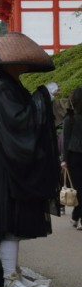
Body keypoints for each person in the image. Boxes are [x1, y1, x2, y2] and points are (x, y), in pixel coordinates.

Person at [0, 32, 61, 287]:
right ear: (9, 62)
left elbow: (22, 120)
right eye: (20, 61)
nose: (24, 65)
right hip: (10, 163)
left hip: (10, 163)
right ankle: (10, 282)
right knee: (10, 220)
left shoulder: (10, 85)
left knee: (15, 219)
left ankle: (13, 274)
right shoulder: (1, 88)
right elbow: (19, 123)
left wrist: (39, 98)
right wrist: (42, 96)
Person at [61, 87, 82, 229]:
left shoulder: (70, 118)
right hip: (75, 155)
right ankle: (76, 217)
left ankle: (76, 216)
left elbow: (65, 140)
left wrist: (64, 159)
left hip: (74, 156)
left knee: (78, 188)